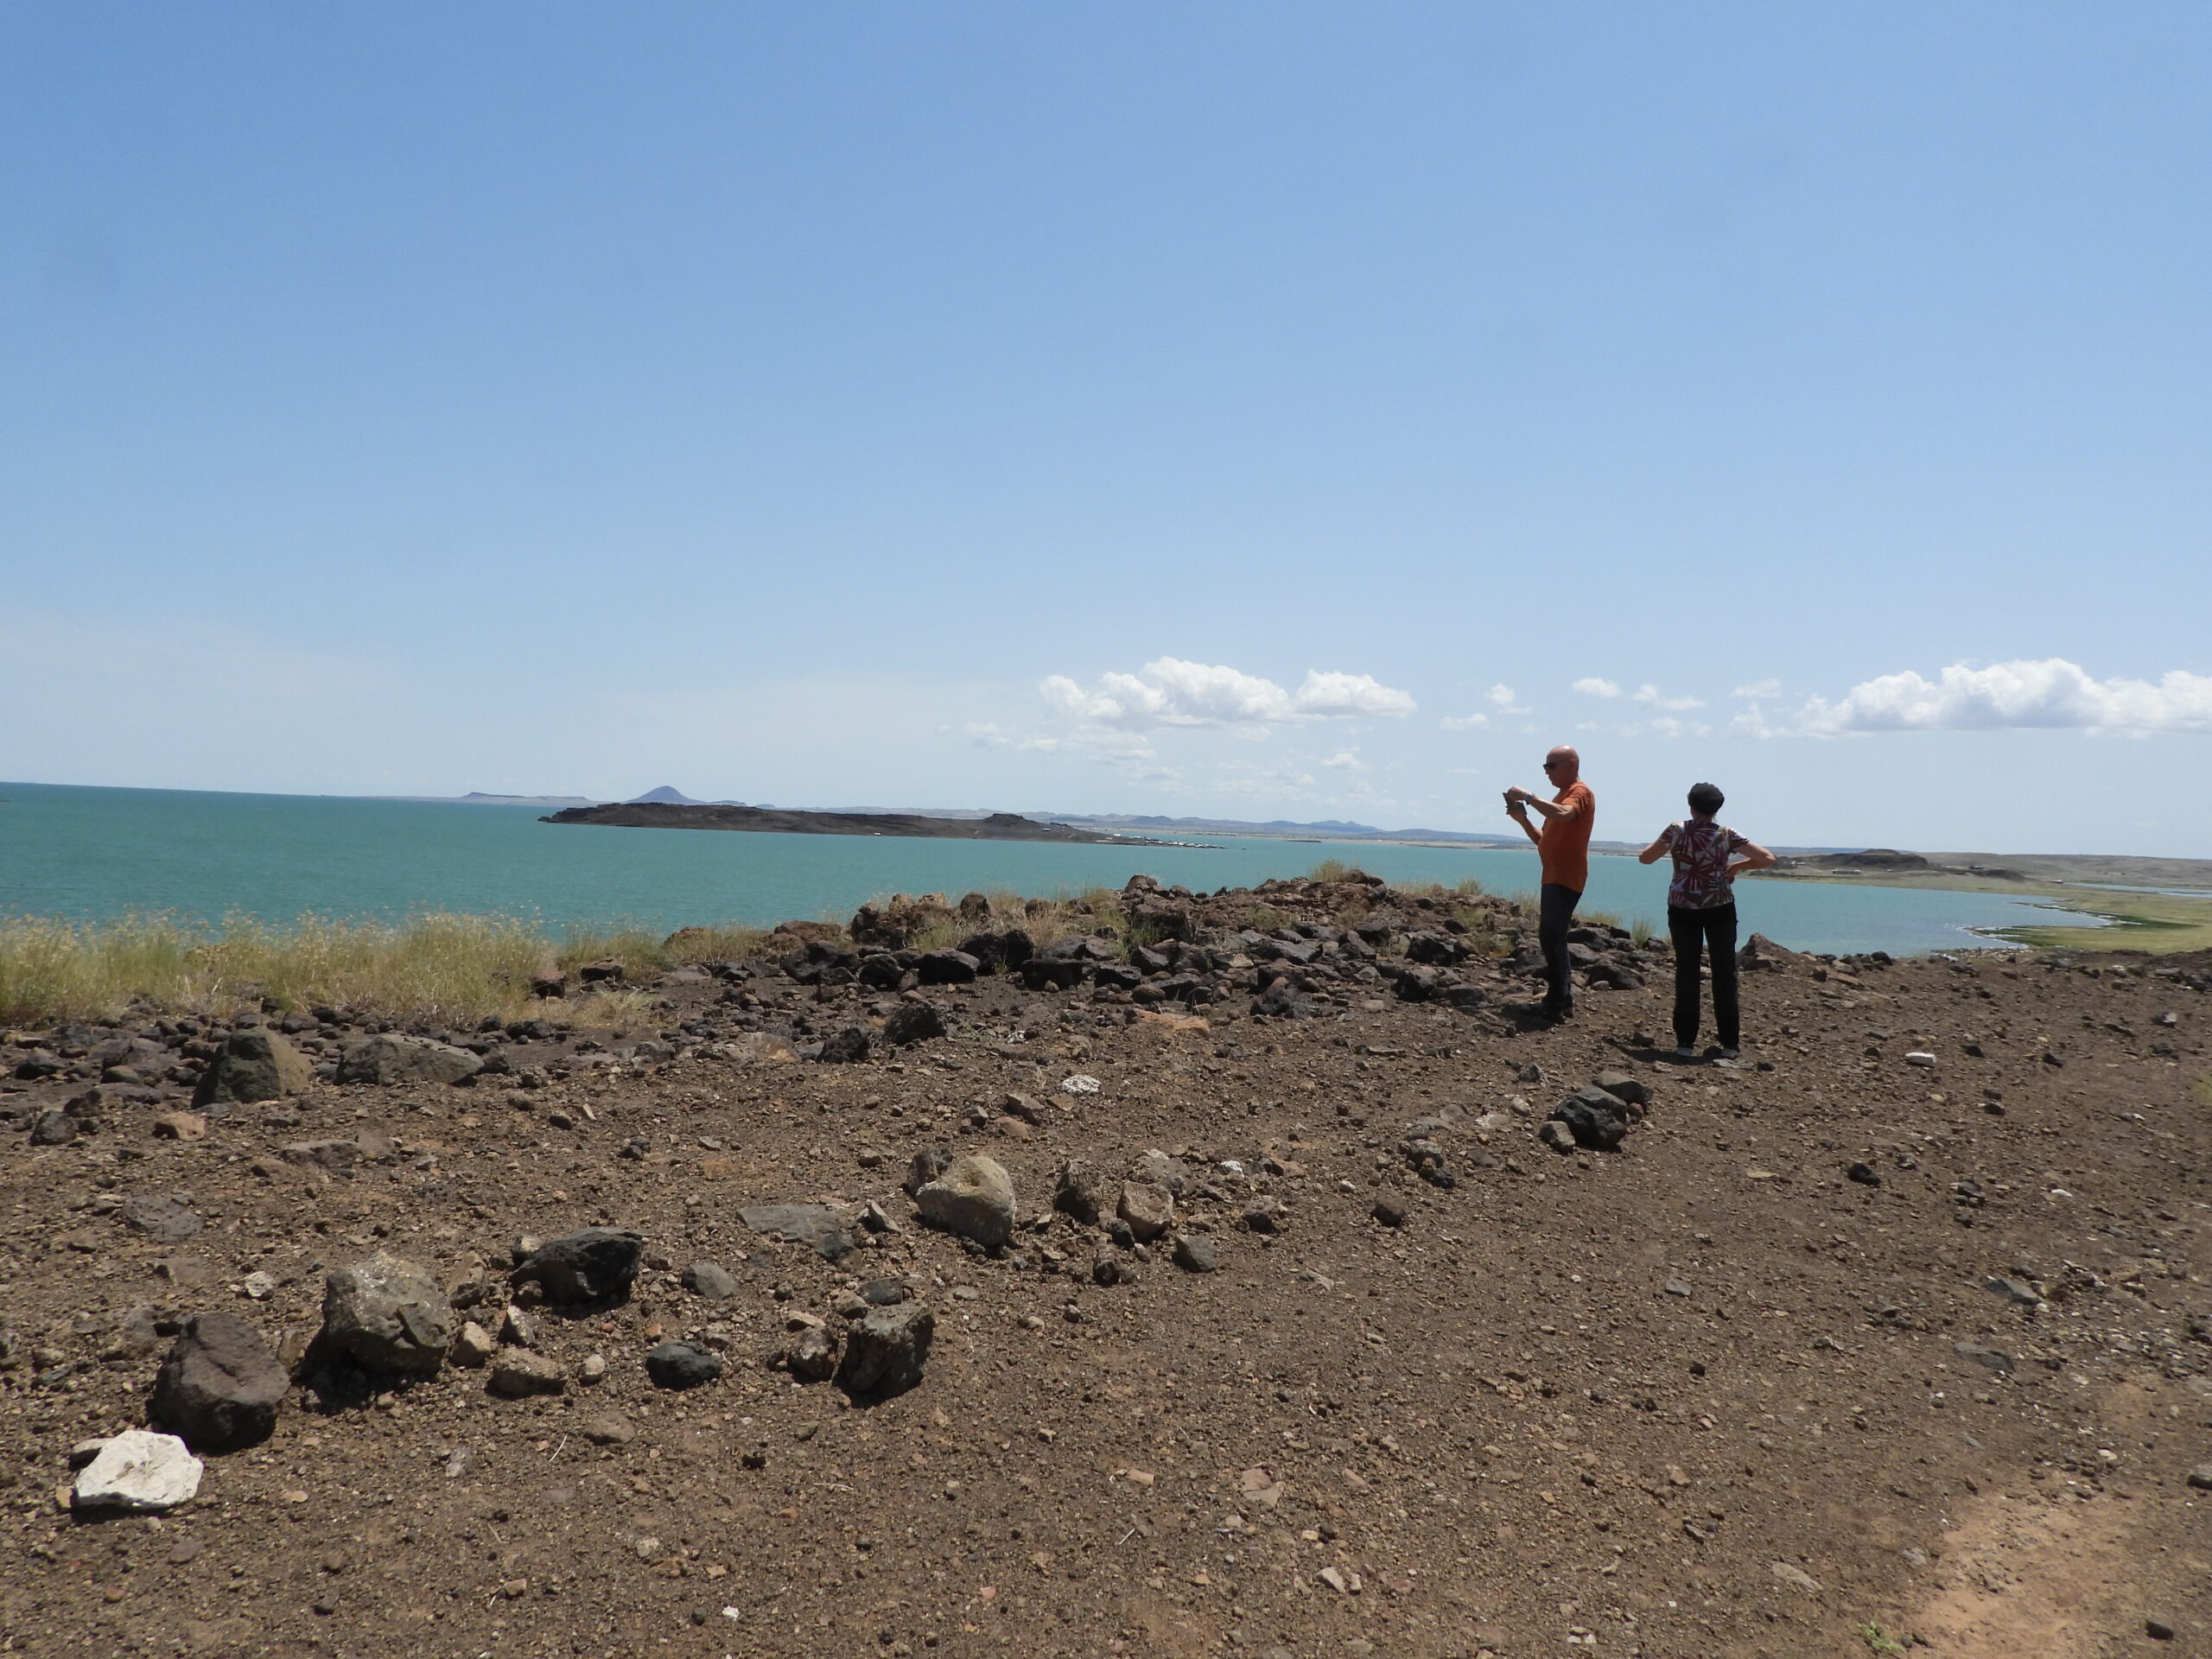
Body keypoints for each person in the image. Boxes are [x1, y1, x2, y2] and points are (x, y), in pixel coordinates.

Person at [1637, 782, 1775, 1060]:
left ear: (1690, 804)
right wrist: (1735, 866)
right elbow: (1766, 858)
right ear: (1717, 808)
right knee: (1724, 972)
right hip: (1720, 907)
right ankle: (1729, 1044)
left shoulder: (1677, 830)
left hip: (1682, 907)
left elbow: (1645, 858)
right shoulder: (1727, 834)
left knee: (1687, 972)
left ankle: (1685, 1043)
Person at [1503, 746, 1594, 1022]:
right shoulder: (1561, 796)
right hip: (1554, 874)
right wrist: (1523, 819)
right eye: (1545, 767)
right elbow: (1546, 840)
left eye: (1551, 766)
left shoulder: (1579, 793)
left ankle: (1558, 1001)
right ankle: (1560, 999)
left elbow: (1565, 815)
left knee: (1552, 936)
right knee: (1551, 937)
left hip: (1565, 877)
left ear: (1571, 764)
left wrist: (1530, 797)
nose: (1547, 772)